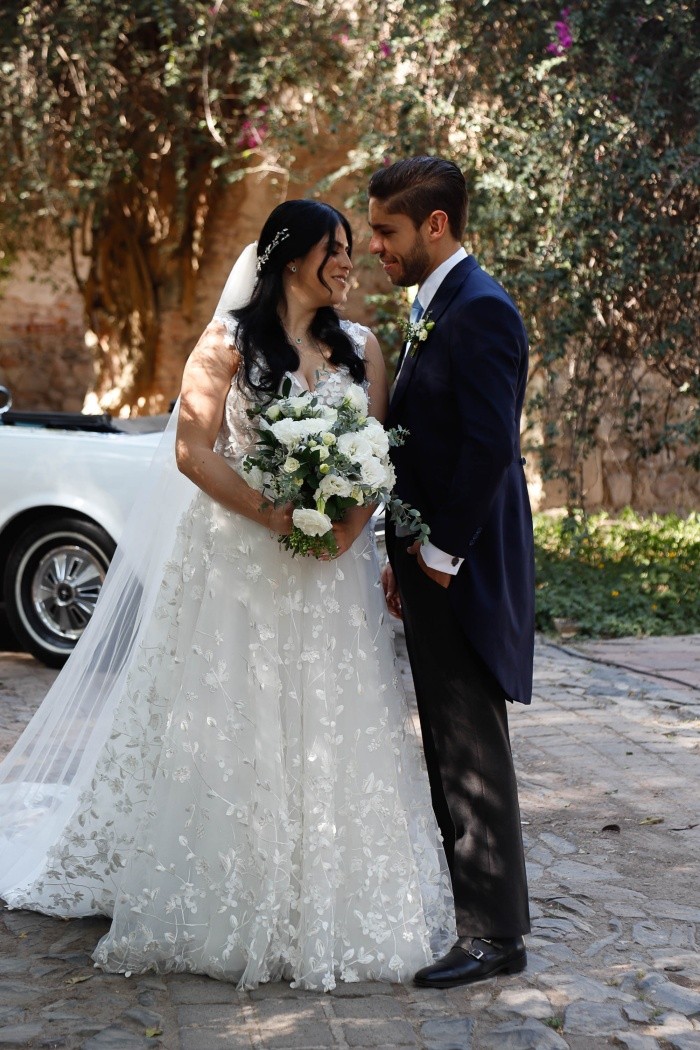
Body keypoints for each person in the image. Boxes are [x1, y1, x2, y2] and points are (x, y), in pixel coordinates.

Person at [0, 199, 454, 991]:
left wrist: (343, 531)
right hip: (240, 563)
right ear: (291, 257)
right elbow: (192, 450)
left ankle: (321, 888)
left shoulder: (362, 348)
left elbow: (375, 455)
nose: (348, 263)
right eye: (334, 249)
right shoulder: (225, 345)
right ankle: (227, 888)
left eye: (351, 248)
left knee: (324, 719)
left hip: (329, 576)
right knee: (234, 714)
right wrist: (274, 514)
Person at [368, 157, 534, 988]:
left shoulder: (481, 309)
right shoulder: (438, 304)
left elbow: (489, 447)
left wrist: (437, 556)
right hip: (428, 560)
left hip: (459, 568)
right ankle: (482, 921)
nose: (375, 246)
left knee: (469, 749)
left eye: (387, 231)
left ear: (435, 225)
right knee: (447, 740)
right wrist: (402, 551)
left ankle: (494, 938)